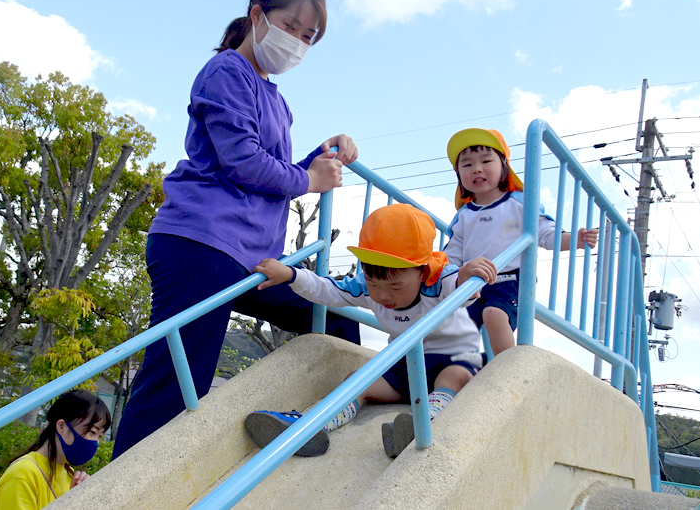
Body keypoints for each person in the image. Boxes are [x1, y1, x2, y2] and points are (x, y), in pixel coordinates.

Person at [112, 0, 359, 459]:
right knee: (176, 383)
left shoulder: (276, 99)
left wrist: (319, 157)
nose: (297, 42)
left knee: (333, 314)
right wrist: (308, 179)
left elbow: (273, 174)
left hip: (250, 258)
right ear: (256, 14)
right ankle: (121, 492)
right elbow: (243, 161)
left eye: (307, 37)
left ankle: (309, 420)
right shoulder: (227, 71)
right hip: (201, 243)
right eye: (290, 26)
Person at [247, 204, 497, 458]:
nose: (382, 295)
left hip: (450, 360)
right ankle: (312, 427)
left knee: (455, 376)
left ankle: (422, 425)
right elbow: (328, 290)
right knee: (358, 379)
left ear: (422, 272)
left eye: (396, 286)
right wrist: (291, 275)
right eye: (372, 282)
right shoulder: (368, 290)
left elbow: (461, 291)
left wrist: (466, 276)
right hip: (404, 369)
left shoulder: (440, 281)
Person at [444, 128, 599, 357]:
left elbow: (546, 235)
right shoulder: (464, 215)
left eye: (486, 160)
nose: (476, 168)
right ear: (460, 177)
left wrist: (576, 239)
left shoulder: (519, 203)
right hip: (474, 284)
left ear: (504, 166)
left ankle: (504, 372)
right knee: (451, 326)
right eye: (466, 165)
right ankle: (455, 374)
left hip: (512, 279)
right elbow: (452, 257)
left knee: (494, 314)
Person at [0, 390, 110, 510]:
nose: (95, 442)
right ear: (61, 426)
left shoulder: (71, 476)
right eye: (92, 432)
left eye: (99, 436)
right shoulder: (22, 475)